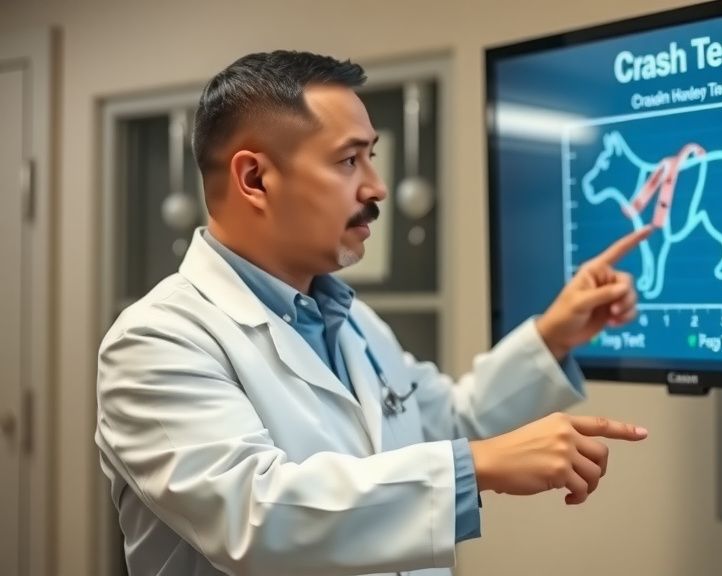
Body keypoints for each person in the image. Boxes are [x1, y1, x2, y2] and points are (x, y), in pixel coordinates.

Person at [95, 50, 652, 576]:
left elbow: (448, 426)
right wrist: (475, 467)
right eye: (348, 160)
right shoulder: (156, 341)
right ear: (255, 179)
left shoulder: (354, 323)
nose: (377, 186)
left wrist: (553, 337)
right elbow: (255, 515)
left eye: (371, 156)